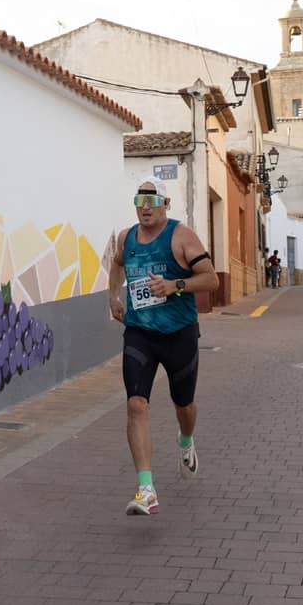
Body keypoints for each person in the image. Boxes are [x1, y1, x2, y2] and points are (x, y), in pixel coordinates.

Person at [109, 178, 219, 516]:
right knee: (136, 404)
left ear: (165, 204)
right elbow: (117, 263)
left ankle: (186, 441)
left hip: (179, 333)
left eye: (152, 201)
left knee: (183, 404)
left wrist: (175, 285)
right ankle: (146, 490)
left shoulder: (181, 236)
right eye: (139, 201)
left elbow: (211, 279)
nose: (145, 208)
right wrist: (113, 296)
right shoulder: (127, 237)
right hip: (139, 332)